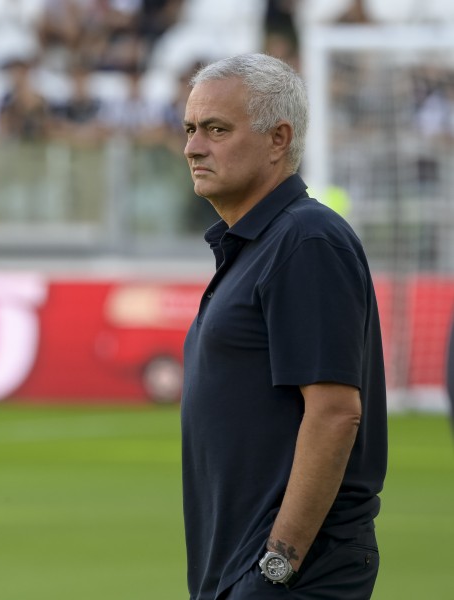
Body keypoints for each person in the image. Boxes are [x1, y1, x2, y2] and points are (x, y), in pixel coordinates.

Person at [180, 53, 387, 599]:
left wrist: (277, 567)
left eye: (216, 129)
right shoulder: (259, 245)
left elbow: (336, 411)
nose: (193, 147)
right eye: (191, 129)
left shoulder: (305, 240)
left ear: (279, 139)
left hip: (292, 575)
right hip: (245, 571)